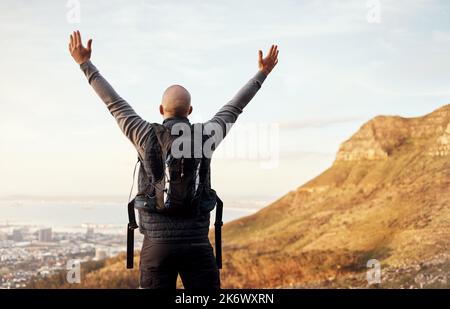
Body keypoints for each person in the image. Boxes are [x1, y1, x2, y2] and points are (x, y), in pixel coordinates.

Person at [68, 30, 279, 289]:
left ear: (160, 110)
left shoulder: (144, 133)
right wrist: (262, 73)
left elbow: (113, 103)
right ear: (190, 110)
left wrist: (85, 64)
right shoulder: (206, 135)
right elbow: (235, 107)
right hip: (197, 244)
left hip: (156, 245)